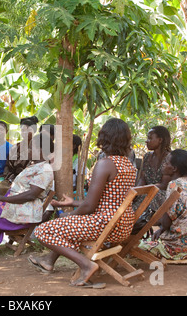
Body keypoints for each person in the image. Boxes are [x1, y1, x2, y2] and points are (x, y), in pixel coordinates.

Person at [28, 118, 137, 287]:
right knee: (70, 226)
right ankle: (48, 260)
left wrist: (69, 215)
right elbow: (108, 201)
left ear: (104, 137)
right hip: (123, 225)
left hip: (105, 225)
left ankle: (86, 265)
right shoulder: (128, 165)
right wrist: (71, 203)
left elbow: (90, 207)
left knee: (43, 231)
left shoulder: (105, 164)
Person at [138, 149, 187, 260]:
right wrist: (162, 229)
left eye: (166, 163)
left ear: (174, 169)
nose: (163, 165)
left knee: (139, 245)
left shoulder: (173, 185)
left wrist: (161, 226)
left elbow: (166, 222)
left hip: (178, 246)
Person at [132, 125, 172, 234]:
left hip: (161, 193)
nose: (146, 141)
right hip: (148, 191)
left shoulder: (169, 158)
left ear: (160, 140)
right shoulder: (147, 156)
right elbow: (142, 179)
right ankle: (134, 222)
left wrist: (144, 190)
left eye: (150, 138)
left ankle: (144, 222)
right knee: (133, 198)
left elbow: (164, 185)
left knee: (147, 197)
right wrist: (136, 190)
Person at [3, 116, 39, 184]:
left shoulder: (39, 148)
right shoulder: (15, 148)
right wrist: (12, 179)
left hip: (32, 183)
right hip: (13, 181)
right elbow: (8, 166)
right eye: (23, 130)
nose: (25, 132)